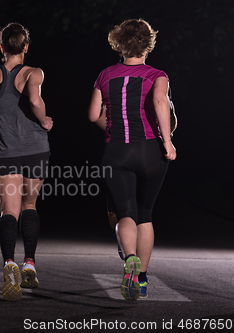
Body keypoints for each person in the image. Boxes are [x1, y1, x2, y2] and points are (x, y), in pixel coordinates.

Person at [88, 19, 176, 301]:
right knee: (145, 215)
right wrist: (167, 141)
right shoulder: (157, 74)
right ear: (147, 46)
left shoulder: (105, 74)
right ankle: (142, 278)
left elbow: (92, 115)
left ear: (119, 44)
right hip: (151, 151)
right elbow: (161, 103)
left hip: (116, 152)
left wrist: (114, 128)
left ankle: (129, 259)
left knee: (126, 213)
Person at [0, 23, 53, 301]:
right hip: (35, 149)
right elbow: (34, 99)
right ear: (26, 47)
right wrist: (43, 120)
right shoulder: (34, 72)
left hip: (6, 152)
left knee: (9, 210)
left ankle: (9, 264)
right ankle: (29, 262)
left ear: (2, 47)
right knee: (30, 205)